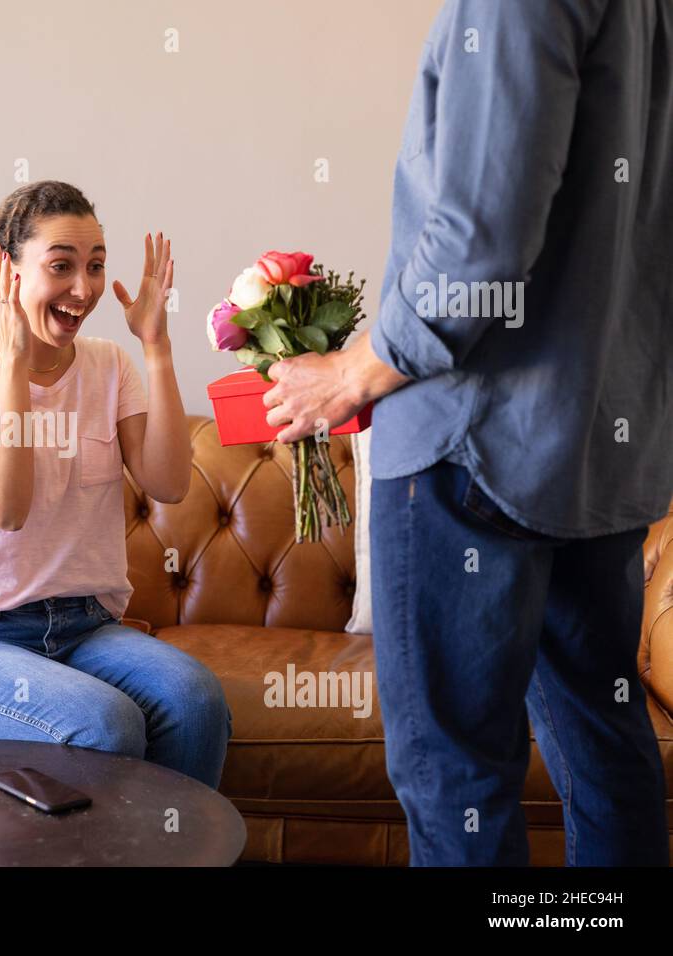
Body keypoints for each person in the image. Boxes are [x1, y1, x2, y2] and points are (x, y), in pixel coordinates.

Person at [258, 0, 672, 865]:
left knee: (457, 774)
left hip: (473, 446)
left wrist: (354, 370)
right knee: (606, 748)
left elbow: (481, 240)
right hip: (602, 447)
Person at [0, 180, 232, 789]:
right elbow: (5, 507)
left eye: (96, 266)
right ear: (5, 269)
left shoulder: (109, 364)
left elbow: (169, 483)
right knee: (106, 725)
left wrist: (155, 344)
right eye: (61, 266)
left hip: (85, 626)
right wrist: (14, 360)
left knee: (196, 700)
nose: (84, 290)